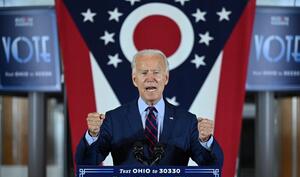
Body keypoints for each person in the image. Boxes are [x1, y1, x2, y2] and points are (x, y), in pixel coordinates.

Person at [75, 49, 223, 167]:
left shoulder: (187, 121)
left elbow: (212, 166)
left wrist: (206, 141)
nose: (150, 78)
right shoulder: (114, 119)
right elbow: (86, 162)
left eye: (156, 72)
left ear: (166, 78)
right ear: (135, 79)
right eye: (144, 73)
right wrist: (92, 135)